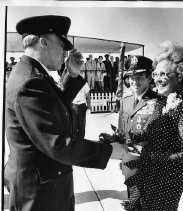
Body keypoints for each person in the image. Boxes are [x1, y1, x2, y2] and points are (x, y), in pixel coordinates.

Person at [4, 15, 125, 211]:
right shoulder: (30, 81)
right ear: (43, 43)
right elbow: (57, 145)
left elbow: (50, 106)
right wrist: (110, 151)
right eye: (61, 44)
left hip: (41, 184)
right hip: (40, 194)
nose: (65, 52)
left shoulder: (29, 73)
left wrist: (72, 75)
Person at [121, 41, 183, 210]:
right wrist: (127, 138)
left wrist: (148, 156)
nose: (157, 79)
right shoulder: (162, 101)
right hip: (148, 173)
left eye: (163, 74)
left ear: (180, 74)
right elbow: (150, 132)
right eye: (156, 74)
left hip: (168, 179)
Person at [116, 56, 159, 210]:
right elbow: (121, 133)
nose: (134, 81)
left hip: (150, 166)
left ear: (149, 77)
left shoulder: (159, 102)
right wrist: (122, 161)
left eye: (139, 77)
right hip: (129, 164)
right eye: (131, 77)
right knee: (133, 204)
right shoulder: (125, 101)